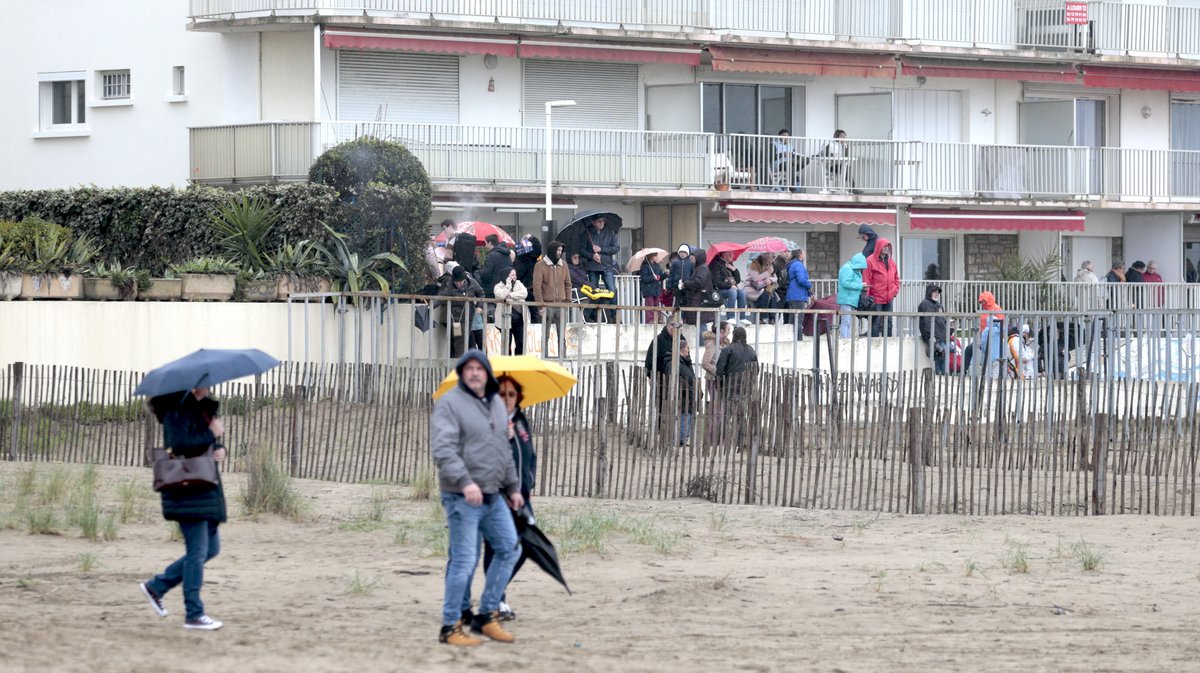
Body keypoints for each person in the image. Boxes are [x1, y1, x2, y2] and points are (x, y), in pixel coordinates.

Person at [431, 350, 524, 647]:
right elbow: (443, 450)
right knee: (464, 561)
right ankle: (450, 625)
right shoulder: (449, 404)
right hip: (462, 496)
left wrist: (512, 487)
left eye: (478, 368)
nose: (473, 373)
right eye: (468, 368)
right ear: (462, 373)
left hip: (493, 495)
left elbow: (502, 451)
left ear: (486, 373)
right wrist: (465, 482)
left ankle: (486, 615)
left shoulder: (496, 404)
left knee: (509, 548)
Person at [139, 388, 228, 631]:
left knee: (211, 549)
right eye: (206, 381)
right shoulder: (176, 409)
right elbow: (178, 444)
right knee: (197, 553)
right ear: (193, 384)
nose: (210, 385)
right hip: (187, 489)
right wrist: (210, 434)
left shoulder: (202, 409)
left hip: (204, 488)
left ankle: (157, 586)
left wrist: (219, 448)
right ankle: (194, 614)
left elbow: (203, 445)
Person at [478, 375, 537, 622]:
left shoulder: (521, 420)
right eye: (501, 394)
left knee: (527, 544)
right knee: (498, 547)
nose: (507, 399)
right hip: (496, 496)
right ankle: (497, 598)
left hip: (521, 496)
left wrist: (529, 483)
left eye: (511, 394)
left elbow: (530, 455)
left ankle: (495, 590)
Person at [533, 240, 572, 357]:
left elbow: (568, 283)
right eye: (558, 250)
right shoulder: (540, 265)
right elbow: (537, 287)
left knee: (562, 335)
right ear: (552, 250)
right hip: (547, 305)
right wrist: (540, 305)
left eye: (561, 250)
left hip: (561, 304)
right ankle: (544, 357)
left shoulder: (563, 264)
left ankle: (562, 357)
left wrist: (568, 300)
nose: (559, 252)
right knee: (545, 334)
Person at [438, 267, 485, 358]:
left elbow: (481, 293)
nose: (458, 284)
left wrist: (480, 305)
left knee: (464, 339)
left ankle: (461, 361)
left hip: (468, 316)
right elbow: (441, 297)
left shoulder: (472, 283)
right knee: (460, 340)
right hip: (455, 317)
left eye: (460, 281)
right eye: (456, 282)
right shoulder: (449, 285)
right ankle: (459, 361)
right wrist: (430, 306)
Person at [862, 237, 900, 337]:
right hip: (876, 298)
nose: (886, 248)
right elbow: (867, 279)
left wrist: (895, 291)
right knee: (876, 322)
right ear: (879, 246)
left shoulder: (891, 261)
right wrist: (867, 296)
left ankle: (888, 344)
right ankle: (874, 345)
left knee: (889, 322)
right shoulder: (870, 260)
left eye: (888, 246)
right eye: (884, 246)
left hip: (889, 297)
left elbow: (896, 277)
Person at [917, 284, 952, 374]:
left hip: (943, 338)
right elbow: (926, 324)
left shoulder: (939, 305)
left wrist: (949, 332)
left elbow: (943, 321)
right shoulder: (924, 304)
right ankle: (942, 380)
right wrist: (931, 338)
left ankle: (943, 381)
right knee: (940, 360)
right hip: (935, 338)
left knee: (944, 360)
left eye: (938, 292)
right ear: (929, 293)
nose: (937, 294)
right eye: (934, 292)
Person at [581, 216, 619, 299]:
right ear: (593, 222)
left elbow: (616, 248)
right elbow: (582, 250)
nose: (601, 223)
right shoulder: (587, 233)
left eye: (603, 221)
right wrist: (592, 256)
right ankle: (594, 311)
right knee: (593, 291)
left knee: (612, 290)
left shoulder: (610, 232)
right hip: (592, 267)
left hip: (606, 265)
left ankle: (613, 311)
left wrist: (601, 249)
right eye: (599, 221)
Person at [493, 269, 528, 355]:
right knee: (506, 344)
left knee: (520, 342)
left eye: (515, 275)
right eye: (512, 275)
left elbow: (524, 293)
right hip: (504, 320)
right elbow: (502, 295)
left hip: (519, 319)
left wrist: (512, 295)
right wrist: (508, 285)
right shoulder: (498, 286)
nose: (514, 277)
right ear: (506, 276)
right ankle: (506, 364)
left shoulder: (519, 284)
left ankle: (518, 363)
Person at [710, 250, 748, 324]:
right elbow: (718, 283)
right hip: (719, 290)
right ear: (725, 255)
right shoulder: (715, 264)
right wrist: (730, 286)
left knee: (742, 292)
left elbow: (737, 280)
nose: (733, 255)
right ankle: (730, 317)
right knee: (732, 292)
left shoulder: (729, 264)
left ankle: (742, 317)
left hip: (728, 288)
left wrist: (733, 269)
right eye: (731, 254)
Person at [681, 249, 715, 330]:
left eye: (693, 257)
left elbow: (699, 283)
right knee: (700, 327)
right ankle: (702, 343)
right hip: (698, 302)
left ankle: (703, 343)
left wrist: (686, 284)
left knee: (701, 328)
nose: (691, 259)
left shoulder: (702, 268)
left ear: (699, 258)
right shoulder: (699, 268)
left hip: (700, 302)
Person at [836, 253, 867, 339]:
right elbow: (846, 283)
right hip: (847, 299)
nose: (861, 269)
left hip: (851, 299)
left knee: (848, 321)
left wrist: (861, 286)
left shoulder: (853, 269)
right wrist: (861, 285)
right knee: (846, 321)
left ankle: (847, 339)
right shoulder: (847, 268)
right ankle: (844, 340)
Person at [785, 249, 812, 339]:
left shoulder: (791, 264)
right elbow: (801, 280)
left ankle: (789, 339)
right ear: (800, 255)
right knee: (799, 321)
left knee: (792, 320)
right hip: (798, 295)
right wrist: (809, 284)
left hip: (791, 295)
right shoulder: (798, 265)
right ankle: (799, 341)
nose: (805, 255)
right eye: (804, 253)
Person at [744, 253, 777, 323]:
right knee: (764, 294)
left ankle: (772, 318)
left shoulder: (770, 266)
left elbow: (775, 278)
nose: (773, 260)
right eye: (772, 257)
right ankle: (762, 317)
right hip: (752, 287)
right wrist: (767, 273)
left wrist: (770, 280)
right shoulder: (754, 265)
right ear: (766, 257)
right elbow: (755, 278)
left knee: (773, 295)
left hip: (763, 286)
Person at [479, 235, 514, 299]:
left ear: (490, 243)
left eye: (486, 243)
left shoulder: (491, 256)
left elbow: (486, 273)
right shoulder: (507, 255)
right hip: (504, 288)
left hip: (491, 289)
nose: (485, 246)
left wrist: (481, 274)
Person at [677, 341, 698, 445]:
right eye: (687, 348)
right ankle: (681, 439)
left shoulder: (686, 362)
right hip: (683, 394)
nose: (688, 350)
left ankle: (684, 437)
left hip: (688, 393)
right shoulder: (677, 363)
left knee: (688, 415)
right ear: (681, 349)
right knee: (684, 416)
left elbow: (691, 377)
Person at [640, 252, 665, 323]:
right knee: (650, 305)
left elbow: (660, 277)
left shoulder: (657, 266)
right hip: (648, 289)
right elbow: (644, 278)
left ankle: (658, 319)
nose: (657, 257)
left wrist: (665, 275)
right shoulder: (645, 266)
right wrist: (653, 277)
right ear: (651, 256)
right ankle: (650, 319)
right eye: (655, 256)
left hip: (656, 289)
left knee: (657, 304)